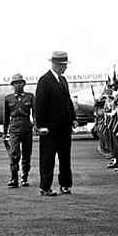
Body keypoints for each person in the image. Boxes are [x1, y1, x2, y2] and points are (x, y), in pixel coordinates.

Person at [35, 51, 77, 196]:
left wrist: (73, 118)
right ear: (56, 64)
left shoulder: (63, 80)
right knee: (48, 159)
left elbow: (68, 101)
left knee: (65, 158)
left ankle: (65, 185)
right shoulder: (44, 80)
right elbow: (39, 105)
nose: (65, 68)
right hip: (50, 129)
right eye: (63, 66)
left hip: (64, 128)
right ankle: (45, 187)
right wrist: (41, 126)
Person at [3, 73, 35, 187]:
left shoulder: (30, 97)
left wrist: (36, 125)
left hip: (26, 126)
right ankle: (14, 178)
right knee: (14, 153)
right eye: (15, 83)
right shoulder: (8, 98)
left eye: (20, 83)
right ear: (12, 85)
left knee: (27, 154)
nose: (18, 85)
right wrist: (4, 132)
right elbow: (6, 117)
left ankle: (25, 177)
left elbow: (34, 113)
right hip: (14, 127)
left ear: (24, 84)